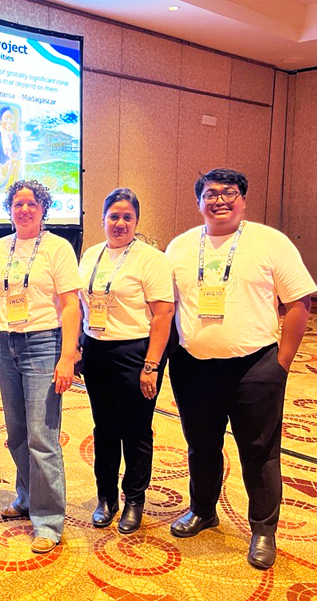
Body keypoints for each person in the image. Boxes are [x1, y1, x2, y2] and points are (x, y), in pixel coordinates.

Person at [165, 168, 315, 570]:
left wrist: (281, 363)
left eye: (229, 193)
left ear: (243, 200)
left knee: (259, 453)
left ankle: (263, 530)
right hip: (194, 368)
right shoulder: (178, 247)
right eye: (210, 194)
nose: (219, 200)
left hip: (256, 368)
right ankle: (203, 510)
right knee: (202, 446)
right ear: (198, 202)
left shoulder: (270, 242)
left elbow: (299, 303)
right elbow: (164, 309)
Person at [0, 179, 81, 555]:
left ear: (44, 209)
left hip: (43, 344)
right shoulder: (0, 247)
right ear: (9, 209)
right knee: (17, 431)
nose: (24, 209)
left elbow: (71, 305)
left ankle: (48, 520)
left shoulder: (58, 248)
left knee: (43, 435)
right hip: (5, 340)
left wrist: (67, 356)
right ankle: (25, 497)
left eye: (32, 203)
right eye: (18, 204)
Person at [79, 189, 174, 533]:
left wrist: (151, 365)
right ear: (103, 219)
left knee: (135, 432)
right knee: (104, 429)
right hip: (96, 350)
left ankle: (134, 500)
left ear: (136, 221)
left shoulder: (150, 259)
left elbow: (163, 314)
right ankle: (106, 498)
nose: (120, 223)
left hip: (136, 354)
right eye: (113, 216)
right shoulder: (91, 255)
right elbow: (83, 305)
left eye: (127, 217)